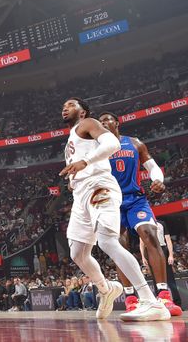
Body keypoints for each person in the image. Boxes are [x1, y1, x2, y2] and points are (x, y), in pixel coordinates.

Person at [59, 98, 169, 321]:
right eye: (64, 105)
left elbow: (112, 145)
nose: (65, 107)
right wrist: (74, 177)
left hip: (100, 187)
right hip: (81, 195)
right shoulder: (71, 139)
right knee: (77, 253)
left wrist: (85, 163)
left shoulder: (88, 123)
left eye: (71, 105)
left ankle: (151, 301)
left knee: (108, 241)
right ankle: (107, 288)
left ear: (83, 112)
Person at [98, 111, 181, 316]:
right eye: (99, 123)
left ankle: (163, 295)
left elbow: (152, 166)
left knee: (150, 234)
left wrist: (157, 179)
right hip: (111, 203)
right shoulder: (97, 150)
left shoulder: (135, 143)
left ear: (116, 123)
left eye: (106, 120)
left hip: (136, 200)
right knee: (119, 246)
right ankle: (131, 298)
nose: (102, 124)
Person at [141, 221, 182, 309]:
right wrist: (143, 257)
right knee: (155, 279)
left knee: (170, 279)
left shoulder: (162, 223)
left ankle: (177, 303)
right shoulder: (142, 224)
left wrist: (170, 254)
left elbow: (168, 240)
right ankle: (160, 304)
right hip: (151, 250)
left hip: (162, 249)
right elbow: (142, 242)